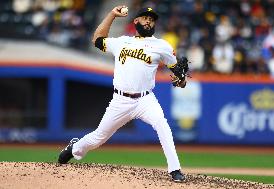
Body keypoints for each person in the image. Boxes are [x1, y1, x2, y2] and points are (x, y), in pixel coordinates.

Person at [58, 5, 187, 182]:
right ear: (136, 21)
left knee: (162, 126)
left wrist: (181, 81)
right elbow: (97, 39)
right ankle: (74, 149)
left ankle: (175, 170)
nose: (148, 20)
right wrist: (111, 14)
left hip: (145, 100)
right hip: (120, 100)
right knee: (98, 138)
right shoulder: (122, 42)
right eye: (144, 17)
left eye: (152, 19)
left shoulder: (162, 46)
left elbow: (179, 75)